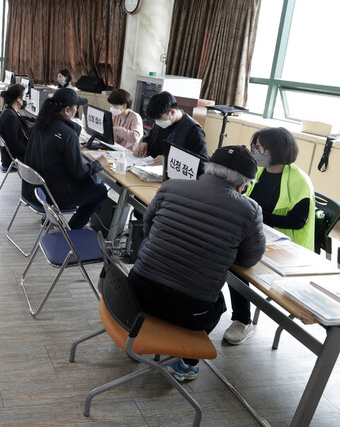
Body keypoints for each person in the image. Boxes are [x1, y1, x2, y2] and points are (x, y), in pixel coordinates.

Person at [130, 145, 266, 381]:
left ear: (209, 168)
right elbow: (249, 258)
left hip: (135, 294)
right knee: (218, 305)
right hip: (188, 311)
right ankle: (183, 364)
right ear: (242, 184)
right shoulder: (249, 210)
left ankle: (140, 337)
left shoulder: (172, 186)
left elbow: (149, 226)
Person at [224, 128, 316, 345]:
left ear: (276, 150)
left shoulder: (299, 181)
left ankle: (241, 320)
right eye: (253, 146)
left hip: (285, 248)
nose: (254, 151)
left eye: (259, 147)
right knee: (226, 253)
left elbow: (297, 221)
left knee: (236, 263)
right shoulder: (258, 171)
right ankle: (239, 317)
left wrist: (258, 217)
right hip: (258, 235)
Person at [22, 88, 108, 230]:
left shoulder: (40, 123)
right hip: (55, 195)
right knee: (100, 190)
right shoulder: (68, 134)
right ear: (67, 110)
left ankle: (51, 220)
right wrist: (99, 163)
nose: (77, 110)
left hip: (36, 190)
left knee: (92, 181)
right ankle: (72, 229)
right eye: (76, 108)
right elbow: (78, 173)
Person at [133, 91, 208, 164]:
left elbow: (201, 161)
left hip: (172, 174)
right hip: (150, 167)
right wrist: (145, 143)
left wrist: (169, 160)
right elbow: (151, 136)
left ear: (172, 112)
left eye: (159, 119)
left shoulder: (193, 130)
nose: (157, 122)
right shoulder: (162, 121)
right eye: (155, 120)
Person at [0, 83, 31, 166]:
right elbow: (15, 144)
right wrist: (31, 152)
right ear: (18, 99)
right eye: (25, 97)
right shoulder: (10, 117)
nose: (26, 100)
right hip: (13, 159)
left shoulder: (9, 112)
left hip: (10, 156)